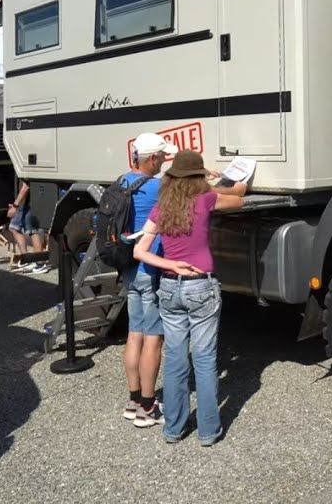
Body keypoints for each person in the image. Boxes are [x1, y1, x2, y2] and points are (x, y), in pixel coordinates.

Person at [133, 149, 247, 445]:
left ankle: (174, 428)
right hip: (201, 286)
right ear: (198, 177)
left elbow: (139, 251)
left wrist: (171, 264)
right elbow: (240, 196)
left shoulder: (162, 207)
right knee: (206, 358)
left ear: (171, 177)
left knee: (174, 358)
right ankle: (208, 432)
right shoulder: (206, 199)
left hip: (170, 287)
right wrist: (219, 178)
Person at [116, 133, 178, 428]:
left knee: (134, 334)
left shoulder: (121, 182)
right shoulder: (158, 187)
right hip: (150, 270)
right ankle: (148, 407)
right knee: (154, 340)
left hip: (128, 268)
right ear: (152, 159)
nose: (165, 161)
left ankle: (133, 400)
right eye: (163, 157)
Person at [8, 179, 47, 273]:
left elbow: (25, 187)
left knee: (33, 231)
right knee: (15, 227)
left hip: (29, 204)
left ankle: (40, 263)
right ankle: (27, 259)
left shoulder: (24, 170)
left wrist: (15, 205)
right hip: (24, 204)